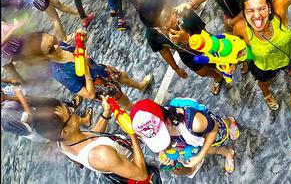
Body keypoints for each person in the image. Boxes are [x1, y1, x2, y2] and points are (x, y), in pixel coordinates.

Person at [33, 95, 161, 183]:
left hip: (120, 161)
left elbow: (91, 137)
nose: (74, 110)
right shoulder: (101, 155)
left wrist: (106, 113)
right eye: (70, 113)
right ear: (65, 131)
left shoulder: (63, 143)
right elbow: (141, 174)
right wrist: (131, 132)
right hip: (135, 166)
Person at [138, 0, 226, 95]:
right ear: (155, 27)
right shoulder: (152, 35)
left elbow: (206, 36)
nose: (173, 17)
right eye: (166, 19)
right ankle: (217, 76)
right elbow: (164, 51)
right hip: (188, 56)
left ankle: (238, 61)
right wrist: (176, 68)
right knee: (203, 72)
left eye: (171, 10)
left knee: (222, 58)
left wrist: (187, 39)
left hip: (207, 45)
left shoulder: (186, 14)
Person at [42, 31, 152, 110]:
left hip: (98, 69)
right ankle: (146, 114)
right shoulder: (61, 74)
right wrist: (86, 69)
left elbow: (78, 53)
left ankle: (140, 86)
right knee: (125, 102)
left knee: (122, 76)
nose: (56, 46)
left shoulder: (61, 46)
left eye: (53, 40)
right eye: (50, 49)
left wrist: (81, 43)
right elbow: (89, 95)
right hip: (99, 86)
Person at [131, 98, 238, 176]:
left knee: (222, 128)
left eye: (160, 135)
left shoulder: (195, 122)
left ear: (167, 120)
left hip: (211, 130)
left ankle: (230, 121)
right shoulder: (150, 127)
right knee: (211, 149)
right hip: (196, 140)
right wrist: (163, 153)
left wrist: (200, 156)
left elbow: (214, 129)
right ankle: (228, 153)